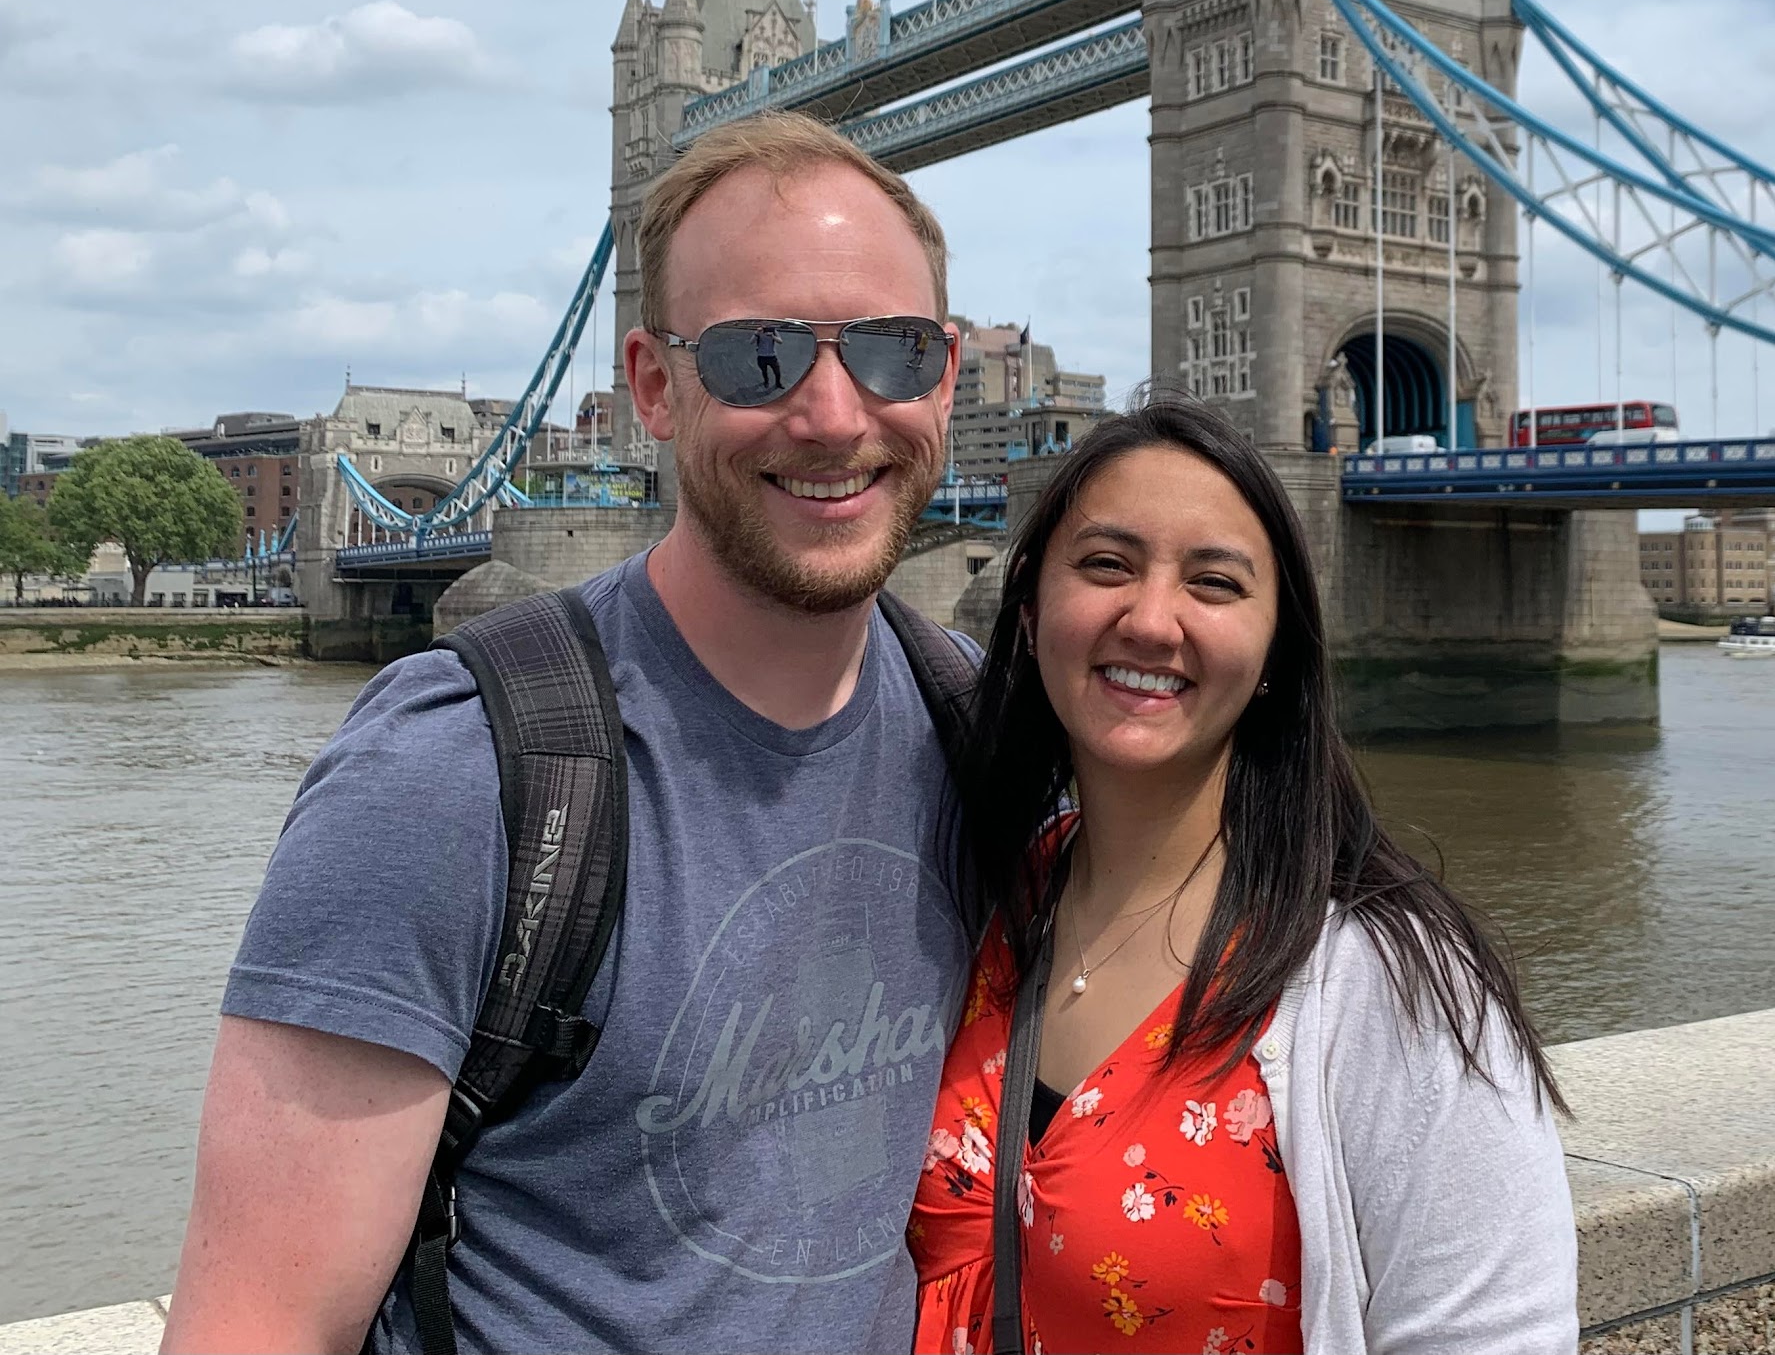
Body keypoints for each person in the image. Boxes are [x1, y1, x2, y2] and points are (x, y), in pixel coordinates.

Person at [164, 113, 972, 1355]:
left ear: (946, 374)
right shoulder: (456, 771)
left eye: (891, 350)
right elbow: (258, 1326)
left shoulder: (974, 720)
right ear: (652, 385)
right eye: (760, 357)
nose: (832, 410)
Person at [908, 397, 1578, 1355]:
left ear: (1275, 652)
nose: (1149, 620)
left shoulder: (1393, 983)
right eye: (1106, 566)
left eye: (1215, 584)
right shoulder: (981, 898)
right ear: (1030, 609)